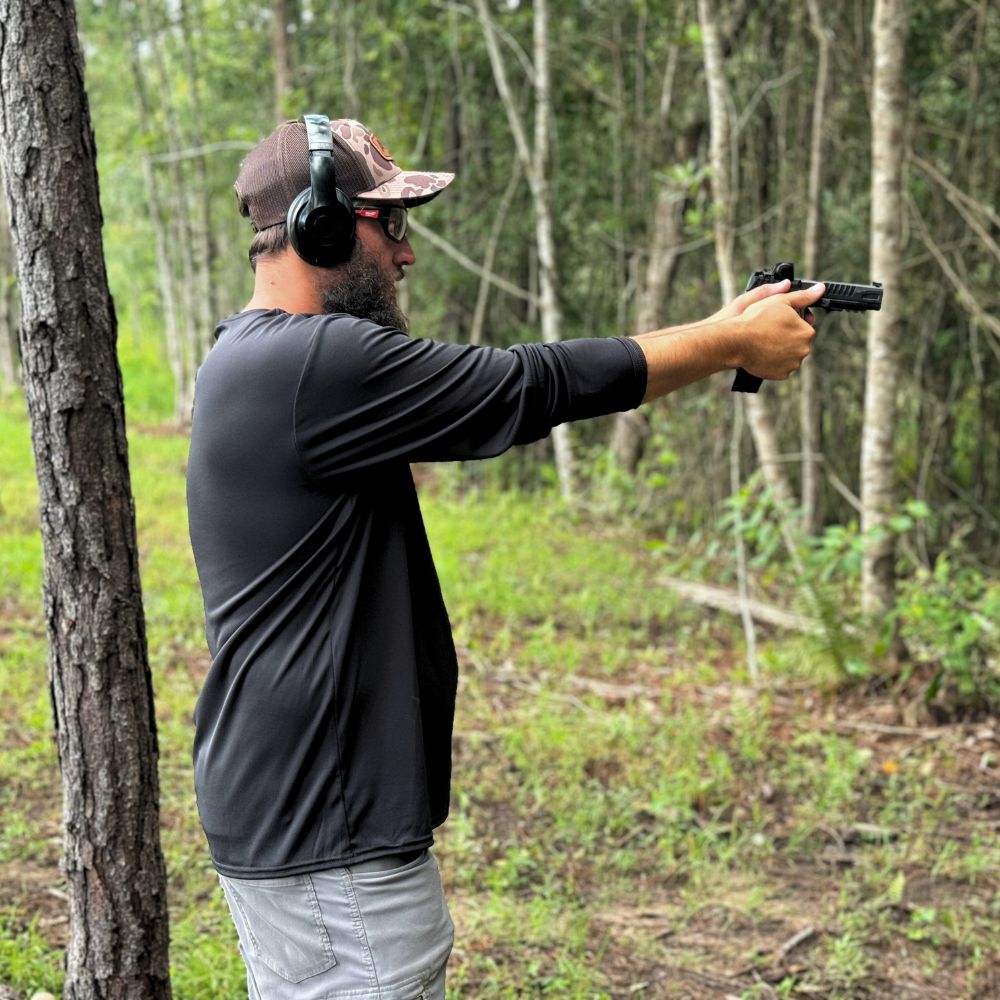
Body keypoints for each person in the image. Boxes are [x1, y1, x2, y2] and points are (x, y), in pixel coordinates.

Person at [186, 114, 824, 1000]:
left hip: (297, 813)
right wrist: (727, 343)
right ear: (321, 226)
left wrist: (723, 326)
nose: (405, 256)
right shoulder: (312, 363)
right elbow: (530, 384)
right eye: (390, 225)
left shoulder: (258, 362)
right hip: (325, 831)